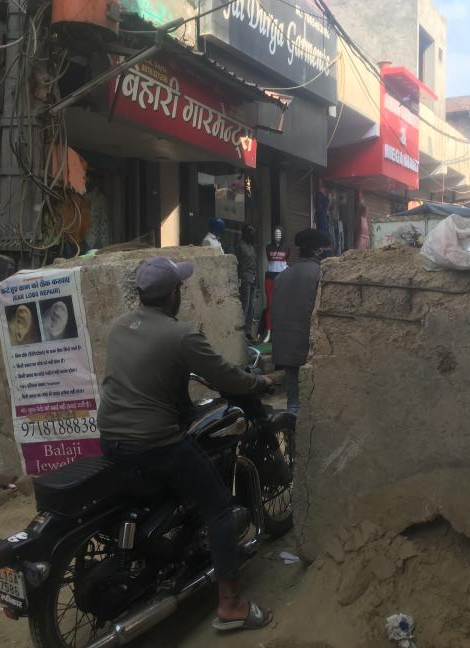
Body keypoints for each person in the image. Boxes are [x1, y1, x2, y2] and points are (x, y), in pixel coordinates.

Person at [98, 256, 275, 631]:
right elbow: (228, 376)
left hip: (112, 440)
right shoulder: (180, 335)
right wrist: (259, 384)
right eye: (180, 287)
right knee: (219, 509)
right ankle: (230, 606)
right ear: (173, 295)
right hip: (156, 443)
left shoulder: (119, 326)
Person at [272, 228, 330, 414]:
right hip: (309, 346)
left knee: (293, 401)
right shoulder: (322, 274)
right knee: (313, 403)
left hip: (284, 346)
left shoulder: (282, 276)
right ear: (318, 250)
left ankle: (291, 430)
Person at [236, 225, 257, 340]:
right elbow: (237, 263)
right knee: (245, 304)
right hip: (244, 278)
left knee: (251, 306)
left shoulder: (251, 247)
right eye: (250, 232)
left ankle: (248, 331)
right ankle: (241, 332)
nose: (252, 234)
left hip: (253, 278)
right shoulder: (240, 246)